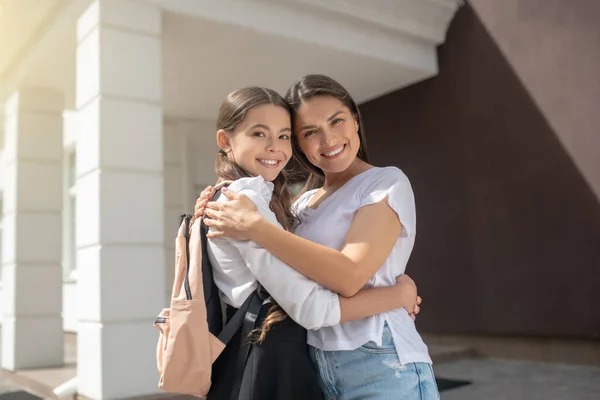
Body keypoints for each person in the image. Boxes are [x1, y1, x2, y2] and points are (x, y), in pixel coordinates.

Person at [201, 75, 440, 399]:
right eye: (310, 132)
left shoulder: (384, 182)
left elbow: (349, 275)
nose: (327, 139)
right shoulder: (301, 203)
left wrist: (258, 228)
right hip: (314, 364)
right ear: (299, 144)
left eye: (336, 121)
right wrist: (398, 293)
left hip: (380, 361)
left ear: (355, 121)